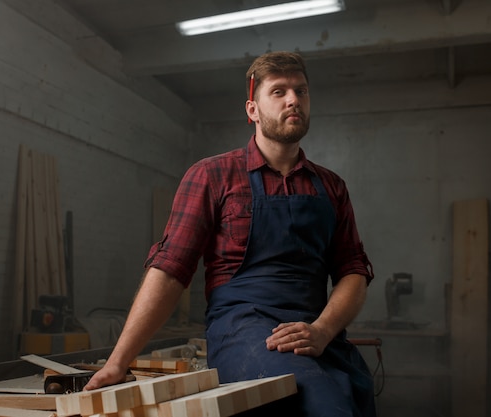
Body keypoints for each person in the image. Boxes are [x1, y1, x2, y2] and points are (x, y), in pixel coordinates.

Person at [84, 51, 376, 417]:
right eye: (279, 92)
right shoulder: (212, 175)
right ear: (252, 110)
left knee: (355, 392)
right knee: (320, 404)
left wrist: (322, 330)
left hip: (314, 333)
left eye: (301, 91)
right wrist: (118, 361)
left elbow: (353, 270)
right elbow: (171, 269)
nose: (293, 100)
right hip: (243, 333)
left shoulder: (331, 186)